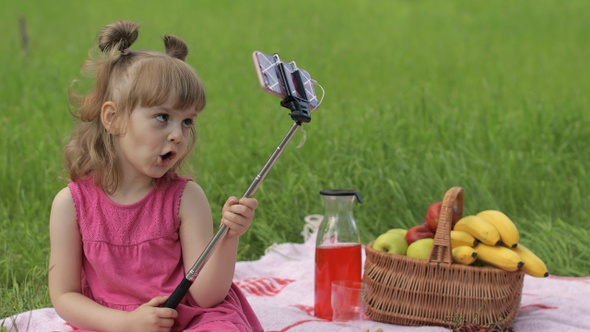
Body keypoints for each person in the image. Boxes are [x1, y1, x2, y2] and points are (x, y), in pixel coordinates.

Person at [48, 21, 263, 332]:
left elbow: (206, 297)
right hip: (112, 323)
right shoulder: (71, 204)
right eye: (162, 117)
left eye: (187, 122)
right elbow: (64, 296)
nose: (178, 134)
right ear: (113, 118)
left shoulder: (186, 198)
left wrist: (229, 237)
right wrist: (126, 323)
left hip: (187, 318)